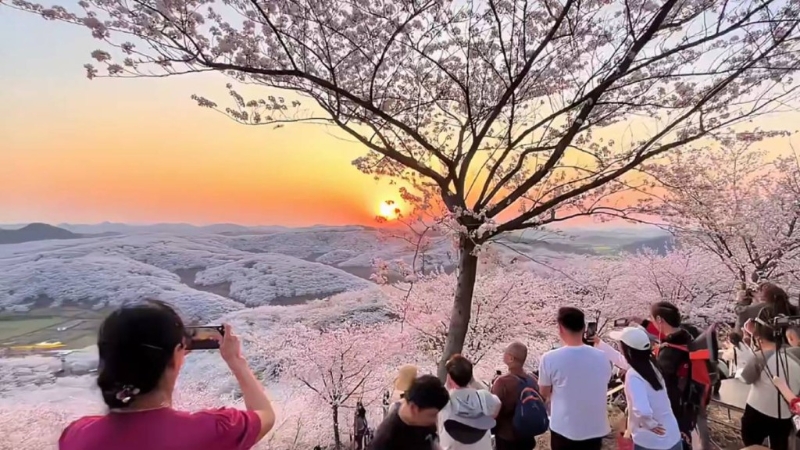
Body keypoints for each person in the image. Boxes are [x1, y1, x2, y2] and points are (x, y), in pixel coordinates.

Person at [58, 300, 275, 450]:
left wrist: (171, 354)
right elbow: (265, 414)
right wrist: (236, 361)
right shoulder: (213, 430)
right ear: (176, 353)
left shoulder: (76, 436)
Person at [538, 307, 613, 450]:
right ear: (584, 328)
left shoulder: (549, 358)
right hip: (595, 427)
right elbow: (604, 381)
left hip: (564, 428)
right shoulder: (602, 356)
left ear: (560, 328)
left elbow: (543, 393)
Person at [597, 327, 682, 450]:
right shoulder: (651, 364)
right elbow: (620, 360)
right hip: (672, 435)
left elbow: (643, 410)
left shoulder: (633, 376)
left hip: (652, 442)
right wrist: (599, 343)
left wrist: (650, 424)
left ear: (628, 350)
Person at [740, 305, 800, 450]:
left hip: (758, 412)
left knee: (752, 443)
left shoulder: (760, 357)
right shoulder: (795, 355)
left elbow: (746, 378)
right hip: (785, 415)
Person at [648, 301, 695, 448]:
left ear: (659, 320)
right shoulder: (688, 338)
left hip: (674, 411)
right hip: (689, 405)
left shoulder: (669, 353)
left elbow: (657, 384)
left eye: (652, 318)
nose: (651, 322)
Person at [369, 374, 450, 450]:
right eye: (433, 415)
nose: (436, 420)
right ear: (413, 409)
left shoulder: (420, 421)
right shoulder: (386, 442)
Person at [438, 354, 501, 450]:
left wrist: (447, 386)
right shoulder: (484, 398)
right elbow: (497, 403)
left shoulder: (444, 402)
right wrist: (472, 382)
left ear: (449, 377)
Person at [491, 342, 538, 450]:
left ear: (510, 358)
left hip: (507, 436)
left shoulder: (502, 382)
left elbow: (493, 409)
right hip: (527, 436)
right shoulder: (533, 380)